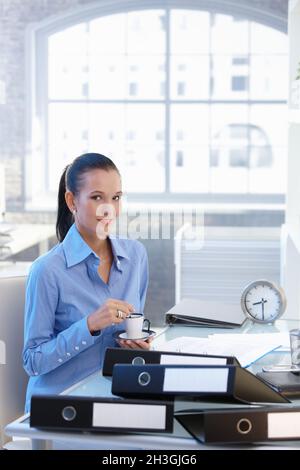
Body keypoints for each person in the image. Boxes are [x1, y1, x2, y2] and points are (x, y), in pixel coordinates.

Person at [23, 153, 151, 412]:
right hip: (61, 407)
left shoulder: (135, 256)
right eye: (97, 197)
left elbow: (133, 327)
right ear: (72, 201)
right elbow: (33, 361)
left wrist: (136, 344)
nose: (110, 209)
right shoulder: (47, 270)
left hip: (119, 398)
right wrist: (89, 326)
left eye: (116, 198)